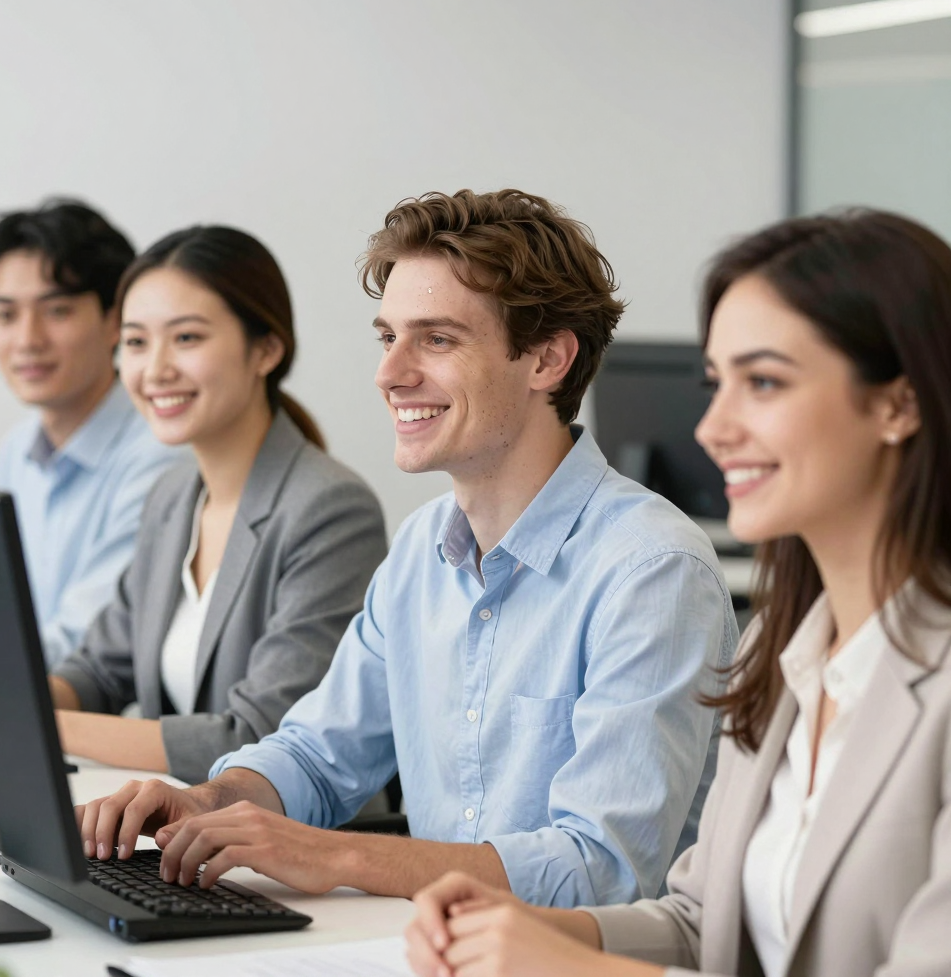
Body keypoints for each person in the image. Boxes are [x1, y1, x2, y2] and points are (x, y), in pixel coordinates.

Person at [77, 189, 735, 907]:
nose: (390, 374)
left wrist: (335, 854)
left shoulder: (653, 573)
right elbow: (317, 756)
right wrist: (211, 803)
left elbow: (600, 869)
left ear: (548, 359)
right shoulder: (424, 546)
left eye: (438, 339)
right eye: (388, 337)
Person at [405, 209, 951, 977]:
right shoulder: (780, 653)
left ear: (899, 403)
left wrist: (577, 969)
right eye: (715, 384)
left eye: (762, 382)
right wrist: (529, 929)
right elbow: (705, 926)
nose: (713, 428)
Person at [48, 226, 388, 785]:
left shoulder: (329, 509)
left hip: (288, 849)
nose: (154, 369)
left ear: (266, 350)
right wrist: (1, 708)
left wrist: (43, 728)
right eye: (135, 342)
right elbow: (99, 669)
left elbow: (257, 736)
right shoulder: (173, 497)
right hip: (176, 837)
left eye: (186, 338)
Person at [0, 198, 182, 667]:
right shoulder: (15, 451)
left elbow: (84, 643)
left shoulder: (162, 456)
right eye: (5, 315)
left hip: (99, 724)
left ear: (113, 322)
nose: (27, 340)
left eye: (57, 311)